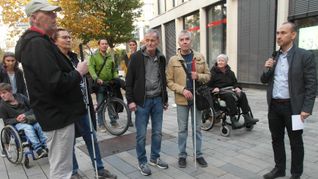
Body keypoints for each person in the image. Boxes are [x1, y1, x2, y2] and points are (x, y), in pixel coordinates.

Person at [15, 1, 88, 178]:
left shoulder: (38, 42)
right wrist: (78, 73)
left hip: (56, 114)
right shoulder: (37, 44)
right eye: (49, 14)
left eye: (54, 13)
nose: (55, 17)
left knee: (62, 165)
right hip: (57, 115)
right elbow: (54, 83)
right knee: (61, 169)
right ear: (34, 18)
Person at [52, 28, 117, 179]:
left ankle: (99, 169)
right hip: (66, 109)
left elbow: (83, 80)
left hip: (82, 106)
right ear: (55, 41)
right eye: (64, 37)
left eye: (69, 37)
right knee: (70, 142)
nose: (68, 39)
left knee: (91, 137)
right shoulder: (54, 60)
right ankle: (73, 172)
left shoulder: (74, 58)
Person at [261, 22, 317, 179]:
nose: (279, 36)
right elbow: (264, 80)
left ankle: (296, 173)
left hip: (294, 108)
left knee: (296, 142)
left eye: (283, 33)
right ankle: (279, 169)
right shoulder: (275, 55)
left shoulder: (304, 56)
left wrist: (307, 108)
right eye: (278, 33)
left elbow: (311, 85)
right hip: (274, 107)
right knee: (276, 139)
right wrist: (267, 68)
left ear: (293, 35)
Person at [126, 29, 169, 176]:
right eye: (147, 40)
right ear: (144, 41)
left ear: (157, 42)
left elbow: (163, 79)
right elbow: (129, 80)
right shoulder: (136, 57)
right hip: (141, 102)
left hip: (157, 100)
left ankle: (154, 158)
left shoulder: (161, 57)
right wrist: (130, 101)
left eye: (153, 40)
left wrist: (165, 99)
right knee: (141, 134)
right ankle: (142, 161)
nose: (150, 43)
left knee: (157, 133)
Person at [166, 30, 209, 168]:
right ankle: (182, 155)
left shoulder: (199, 57)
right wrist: (182, 90)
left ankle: (198, 154)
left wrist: (199, 76)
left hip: (197, 98)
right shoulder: (173, 60)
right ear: (179, 42)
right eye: (182, 39)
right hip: (182, 100)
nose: (185, 41)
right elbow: (169, 81)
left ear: (191, 41)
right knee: (182, 129)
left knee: (197, 128)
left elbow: (208, 76)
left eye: (187, 39)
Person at [207, 54, 259, 129]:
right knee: (229, 96)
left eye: (222, 61)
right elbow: (207, 85)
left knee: (242, 94)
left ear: (226, 62)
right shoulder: (212, 73)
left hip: (231, 90)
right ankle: (233, 119)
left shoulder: (230, 72)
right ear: (217, 61)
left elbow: (235, 83)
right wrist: (214, 89)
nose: (220, 62)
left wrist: (237, 87)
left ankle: (247, 117)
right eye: (219, 60)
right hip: (219, 92)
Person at [0, 83, 47, 158]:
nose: (2, 95)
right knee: (28, 128)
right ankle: (38, 149)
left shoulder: (21, 97)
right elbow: (6, 121)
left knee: (39, 125)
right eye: (0, 94)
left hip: (29, 119)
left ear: (11, 91)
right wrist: (17, 119)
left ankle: (46, 146)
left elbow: (33, 108)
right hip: (18, 124)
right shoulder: (2, 106)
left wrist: (25, 114)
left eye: (4, 93)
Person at [88, 39, 119, 132]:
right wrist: (96, 78)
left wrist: (116, 77)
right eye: (102, 44)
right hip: (100, 84)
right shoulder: (94, 56)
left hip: (109, 83)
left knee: (111, 103)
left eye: (106, 44)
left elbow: (114, 69)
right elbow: (91, 68)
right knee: (101, 105)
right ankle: (101, 124)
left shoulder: (110, 56)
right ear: (99, 45)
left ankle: (113, 122)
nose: (104, 45)